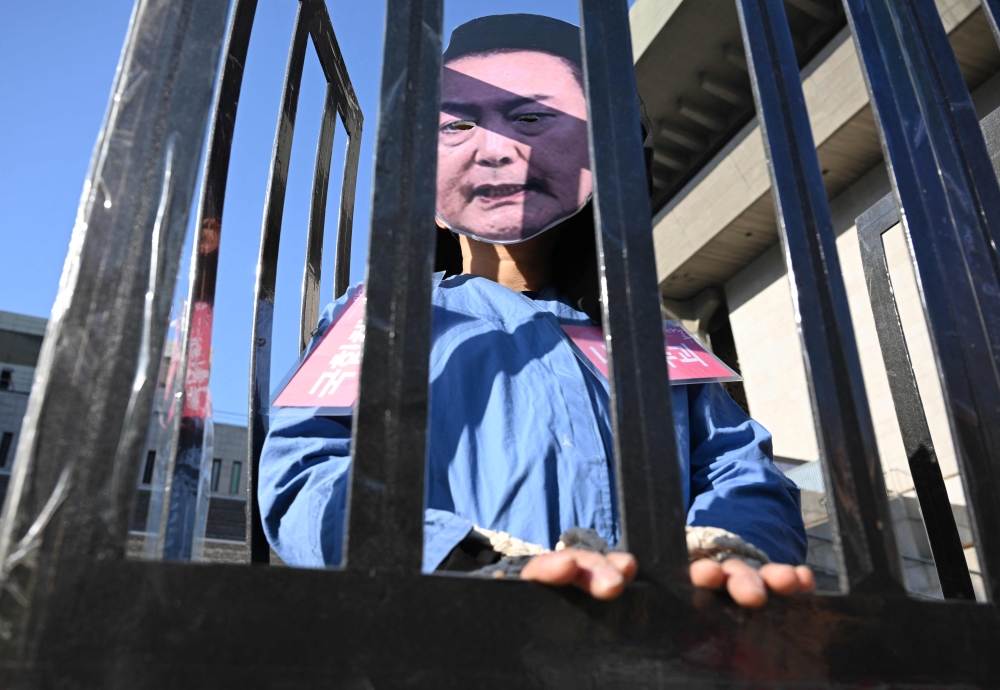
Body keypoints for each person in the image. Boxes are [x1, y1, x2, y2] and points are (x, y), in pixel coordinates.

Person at [260, 14, 813, 607]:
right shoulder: (382, 311)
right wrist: (459, 561)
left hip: (657, 635)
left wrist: (728, 550)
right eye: (458, 124)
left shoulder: (648, 335)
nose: (496, 151)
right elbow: (307, 468)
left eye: (530, 118)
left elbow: (737, 466)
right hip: (450, 635)